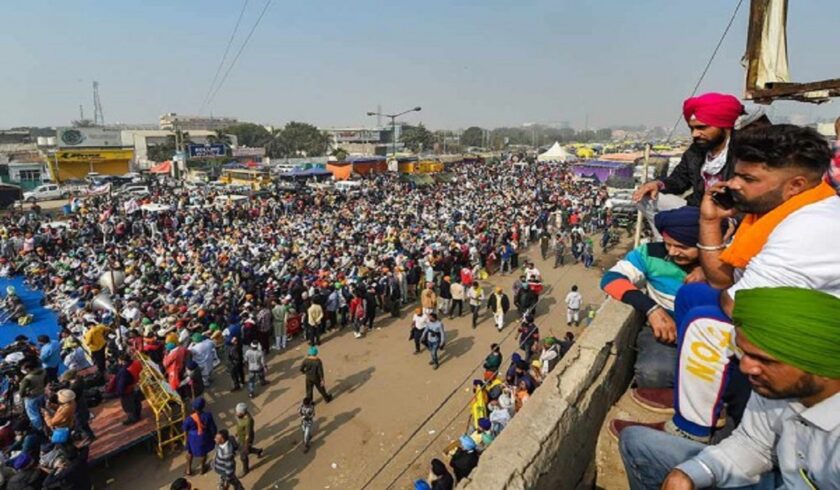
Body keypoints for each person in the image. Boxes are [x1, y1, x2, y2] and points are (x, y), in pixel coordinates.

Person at [621, 287, 840, 489]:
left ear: (821, 366)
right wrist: (691, 473)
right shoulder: (777, 389)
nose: (745, 366)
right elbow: (754, 444)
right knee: (638, 444)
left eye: (763, 360)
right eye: (743, 352)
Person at [600, 207, 705, 408]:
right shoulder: (650, 254)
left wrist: (712, 271)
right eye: (668, 244)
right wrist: (651, 309)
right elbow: (611, 279)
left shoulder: (726, 264)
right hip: (667, 332)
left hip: (710, 335)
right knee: (653, 371)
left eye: (682, 247)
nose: (673, 252)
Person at [633, 92, 744, 239]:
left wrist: (735, 219)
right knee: (643, 198)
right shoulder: (695, 152)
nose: (695, 134)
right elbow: (679, 180)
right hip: (697, 210)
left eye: (701, 128)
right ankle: (667, 242)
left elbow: (757, 196)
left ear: (724, 127)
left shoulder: (744, 152)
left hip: (729, 217)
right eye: (692, 129)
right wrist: (657, 184)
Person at [183, 397, 217, 477]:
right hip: (203, 437)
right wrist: (213, 436)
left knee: (190, 452)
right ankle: (202, 468)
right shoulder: (208, 416)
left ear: (193, 407)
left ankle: (188, 470)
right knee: (203, 454)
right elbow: (213, 428)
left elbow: (184, 428)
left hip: (192, 439)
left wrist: (185, 439)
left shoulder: (189, 419)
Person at [234, 403, 263, 476]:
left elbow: (248, 434)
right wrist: (237, 432)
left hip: (245, 440)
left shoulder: (248, 421)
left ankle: (245, 470)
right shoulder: (240, 416)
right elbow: (239, 424)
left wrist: (247, 445)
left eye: (238, 412)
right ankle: (257, 451)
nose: (236, 413)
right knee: (244, 449)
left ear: (242, 413)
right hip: (241, 437)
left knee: (243, 456)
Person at [114, 353, 142, 425]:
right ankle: (138, 415)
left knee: (128, 405)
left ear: (123, 361)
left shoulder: (124, 371)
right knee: (137, 402)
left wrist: (119, 392)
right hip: (136, 385)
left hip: (128, 389)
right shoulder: (136, 363)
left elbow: (122, 383)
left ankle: (132, 418)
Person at [18, 360, 46, 432]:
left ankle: (39, 428)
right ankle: (45, 422)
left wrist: (26, 394)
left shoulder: (27, 378)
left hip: (31, 398)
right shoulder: (43, 371)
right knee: (42, 409)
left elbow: (21, 393)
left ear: (28, 369)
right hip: (42, 393)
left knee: (33, 414)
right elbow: (46, 382)